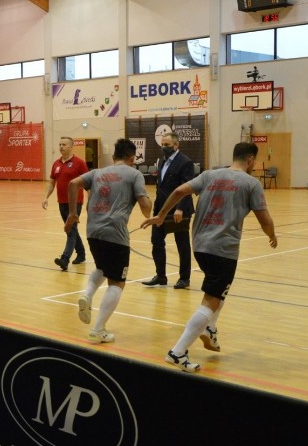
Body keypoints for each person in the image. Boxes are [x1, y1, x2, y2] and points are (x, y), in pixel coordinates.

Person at [142, 142, 277, 372]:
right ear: (251, 160)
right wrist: (272, 235)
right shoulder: (251, 183)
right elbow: (264, 219)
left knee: (219, 290)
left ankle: (210, 328)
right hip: (223, 249)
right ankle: (178, 352)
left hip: (200, 246)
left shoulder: (209, 175)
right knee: (210, 300)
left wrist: (161, 215)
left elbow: (178, 191)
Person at [65, 138, 151, 344]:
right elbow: (145, 206)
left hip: (93, 230)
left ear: (113, 157)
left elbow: (73, 183)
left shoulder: (98, 172)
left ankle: (87, 295)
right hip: (115, 234)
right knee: (117, 282)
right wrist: (149, 204)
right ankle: (98, 329)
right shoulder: (135, 174)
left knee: (102, 267)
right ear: (132, 158)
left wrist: (71, 213)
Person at [142, 132, 195, 289]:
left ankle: (184, 278)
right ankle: (161, 276)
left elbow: (187, 187)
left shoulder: (186, 162)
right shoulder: (162, 162)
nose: (164, 147)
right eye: (162, 145)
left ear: (176, 145)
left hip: (179, 210)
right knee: (156, 241)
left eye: (167, 145)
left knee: (182, 244)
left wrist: (180, 208)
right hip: (161, 210)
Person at [43, 136, 88, 271]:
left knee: (70, 230)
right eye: (60, 144)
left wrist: (90, 201)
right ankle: (81, 254)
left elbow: (88, 183)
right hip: (61, 202)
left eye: (64, 144)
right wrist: (46, 197)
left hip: (76, 203)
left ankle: (65, 259)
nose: (61, 146)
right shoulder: (56, 164)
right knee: (72, 229)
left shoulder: (80, 163)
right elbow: (52, 183)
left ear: (71, 147)